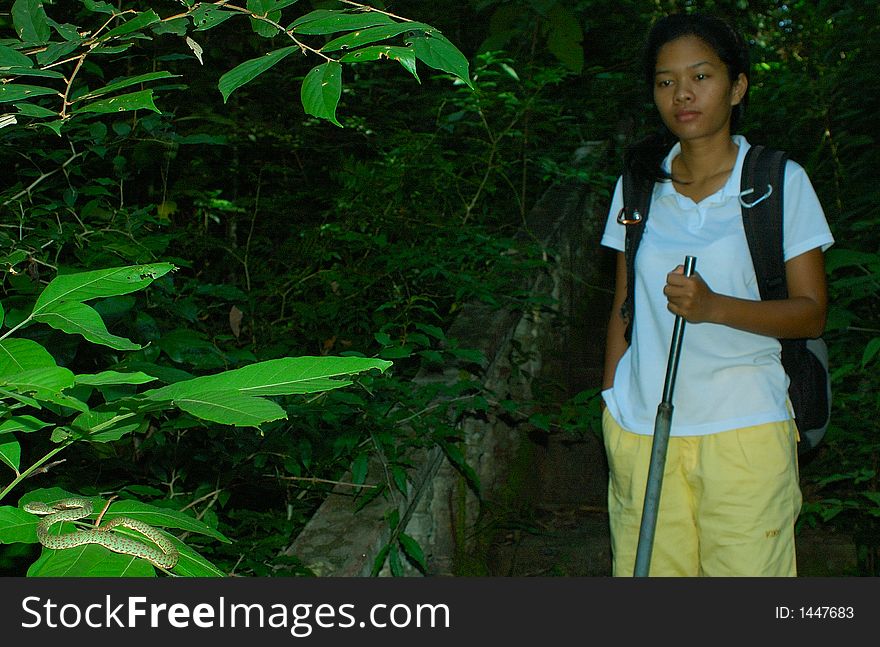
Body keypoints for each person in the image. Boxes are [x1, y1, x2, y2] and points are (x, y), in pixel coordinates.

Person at [599, 12, 834, 577]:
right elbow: (623, 306)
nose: (682, 93)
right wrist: (611, 402)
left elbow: (811, 314)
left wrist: (713, 308)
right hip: (641, 429)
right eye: (665, 81)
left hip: (745, 430)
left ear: (737, 86)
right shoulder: (637, 185)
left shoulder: (778, 183)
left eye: (701, 76)